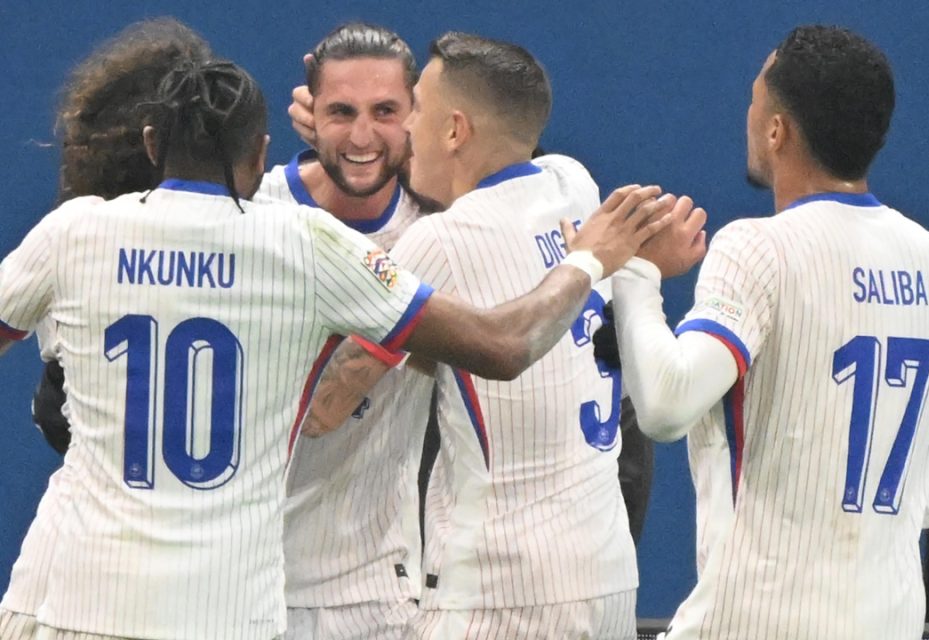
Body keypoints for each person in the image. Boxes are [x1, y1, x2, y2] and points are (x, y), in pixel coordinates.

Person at [0, 52, 671, 640]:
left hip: (84, 592)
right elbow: (504, 345)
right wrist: (589, 262)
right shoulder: (304, 244)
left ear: (152, 144)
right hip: (227, 607)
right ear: (264, 150)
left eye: (391, 112)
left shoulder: (73, 234)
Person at [308, 32, 702, 639]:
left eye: (415, 107)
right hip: (607, 571)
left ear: (454, 130)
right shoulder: (572, 184)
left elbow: (327, 409)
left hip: (498, 591)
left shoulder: (438, 244)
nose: (405, 127)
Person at [613, 24, 929, 639]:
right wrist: (902, 501)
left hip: (753, 622)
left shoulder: (758, 248)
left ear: (777, 131)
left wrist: (636, 272)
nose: (748, 117)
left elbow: (665, 406)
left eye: (754, 102)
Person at [0, 18, 214, 640]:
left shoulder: (73, 236)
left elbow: (55, 415)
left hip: (67, 579)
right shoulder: (265, 235)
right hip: (194, 587)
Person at [258, 23, 435, 640]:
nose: (362, 136)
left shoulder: (440, 227)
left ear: (421, 113)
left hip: (379, 594)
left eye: (385, 111)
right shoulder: (254, 215)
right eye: (341, 112)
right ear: (310, 114)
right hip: (247, 585)